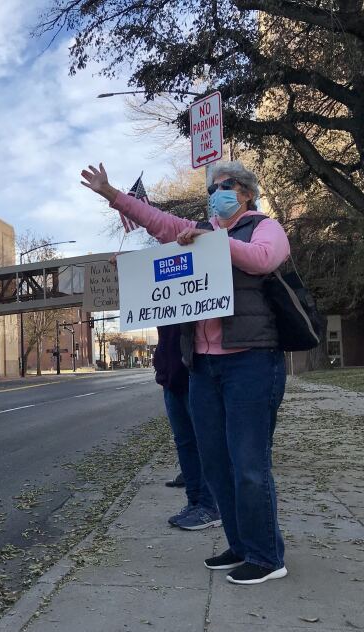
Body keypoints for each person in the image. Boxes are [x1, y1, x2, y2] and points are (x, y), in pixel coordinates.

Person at [82, 160, 290, 586]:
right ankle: (240, 545)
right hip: (203, 366)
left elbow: (264, 261)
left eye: (226, 186)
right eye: (213, 188)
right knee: (216, 463)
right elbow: (156, 221)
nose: (217, 193)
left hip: (251, 361)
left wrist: (214, 242)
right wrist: (110, 193)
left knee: (249, 464)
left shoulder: (264, 228)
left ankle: (267, 556)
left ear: (246, 193)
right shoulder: (196, 232)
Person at [153, 324, 220, 531]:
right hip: (171, 375)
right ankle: (194, 503)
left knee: (205, 443)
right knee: (184, 443)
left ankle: (209, 507)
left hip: (195, 370)